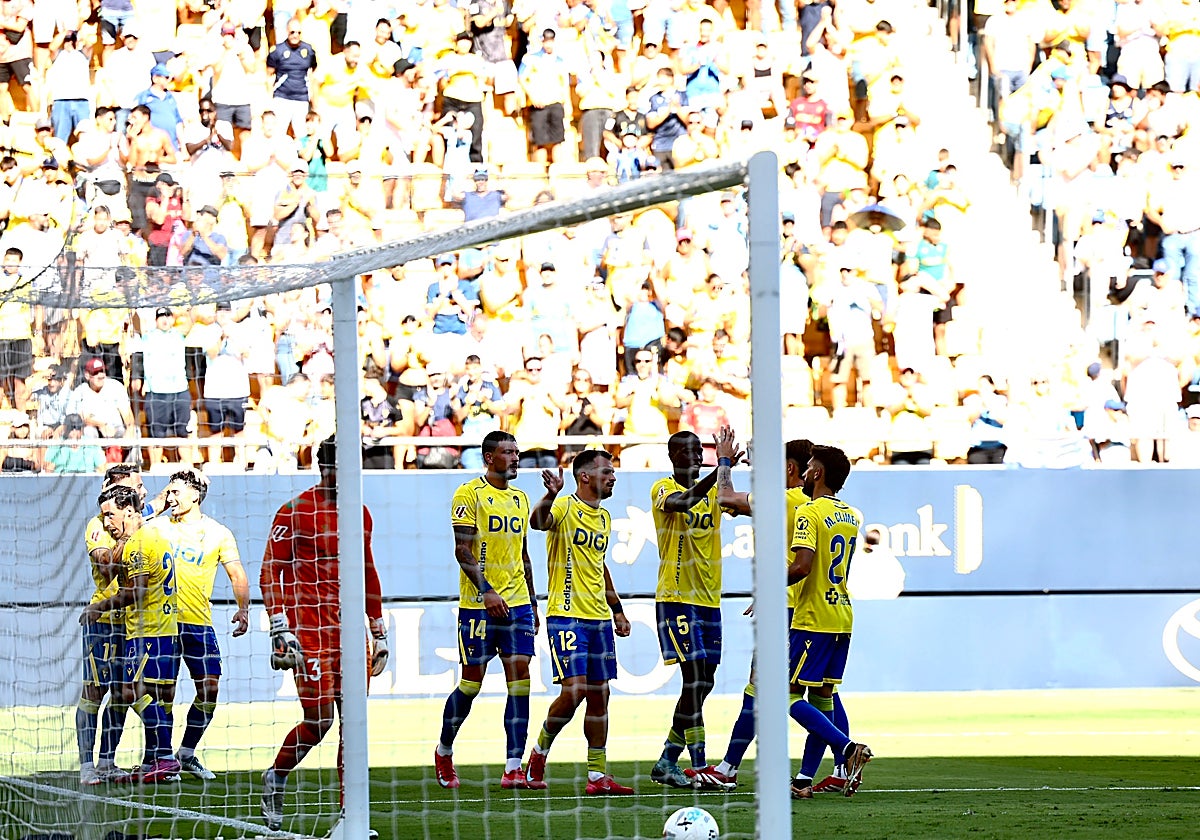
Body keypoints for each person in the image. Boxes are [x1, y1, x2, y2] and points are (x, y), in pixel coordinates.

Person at [689, 434, 850, 791]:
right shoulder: (826, 507)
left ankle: (729, 768)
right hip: (825, 609)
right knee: (824, 693)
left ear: (793, 470)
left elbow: (725, 499)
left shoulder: (787, 500)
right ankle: (833, 770)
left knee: (762, 689)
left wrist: (726, 461)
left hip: (788, 609)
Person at [259, 437, 388, 831]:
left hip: (351, 635)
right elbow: (270, 570)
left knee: (354, 725)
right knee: (319, 723)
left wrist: (378, 628)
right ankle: (276, 775)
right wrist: (279, 626)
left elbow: (368, 571)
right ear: (326, 468)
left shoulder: (360, 513)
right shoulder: (295, 511)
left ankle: (351, 819)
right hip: (309, 631)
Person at [524, 451, 634, 795]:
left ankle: (597, 775)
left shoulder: (603, 517)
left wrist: (616, 608)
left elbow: (599, 566)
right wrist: (551, 493)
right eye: (607, 471)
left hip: (599, 619)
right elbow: (538, 523)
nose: (613, 477)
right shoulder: (565, 507)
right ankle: (539, 753)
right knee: (574, 692)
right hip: (567, 615)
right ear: (585, 476)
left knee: (600, 695)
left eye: (613, 472)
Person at [435, 431, 539, 790]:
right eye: (507, 452)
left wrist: (534, 603)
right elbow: (462, 550)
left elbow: (523, 555)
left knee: (520, 681)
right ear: (488, 458)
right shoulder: (469, 494)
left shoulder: (521, 498)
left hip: (519, 606)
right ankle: (444, 749)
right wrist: (487, 591)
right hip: (479, 606)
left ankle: (513, 768)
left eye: (517, 451)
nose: (515, 457)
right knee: (471, 684)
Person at [785, 444, 873, 799]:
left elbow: (802, 566)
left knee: (784, 697)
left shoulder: (810, 512)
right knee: (823, 699)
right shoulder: (851, 515)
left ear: (817, 473)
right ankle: (805, 780)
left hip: (812, 617)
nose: (804, 474)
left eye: (807, 468)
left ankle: (848, 748)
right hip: (842, 615)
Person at [79, 483, 181, 783]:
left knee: (130, 691)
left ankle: (164, 757)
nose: (107, 522)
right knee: (150, 694)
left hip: (146, 631)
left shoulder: (137, 544)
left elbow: (135, 591)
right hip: (164, 628)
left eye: (110, 515)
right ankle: (155, 761)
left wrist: (100, 607)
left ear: (128, 510)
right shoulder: (156, 535)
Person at [155, 469, 249, 780]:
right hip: (163, 624)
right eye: (168, 492)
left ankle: (187, 752)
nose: (170, 498)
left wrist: (244, 609)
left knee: (209, 689)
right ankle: (164, 760)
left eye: (176, 492)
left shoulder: (218, 533)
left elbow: (236, 574)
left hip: (199, 624)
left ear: (196, 495)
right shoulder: (157, 528)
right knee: (163, 693)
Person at [648, 431, 726, 788]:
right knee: (694, 679)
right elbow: (684, 502)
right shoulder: (661, 488)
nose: (697, 456)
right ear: (673, 454)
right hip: (677, 596)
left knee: (704, 681)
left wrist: (734, 467)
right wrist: (719, 466)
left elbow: (733, 501)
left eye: (701, 450)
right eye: (689, 450)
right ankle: (684, 761)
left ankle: (680, 760)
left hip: (709, 599)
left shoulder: (713, 489)